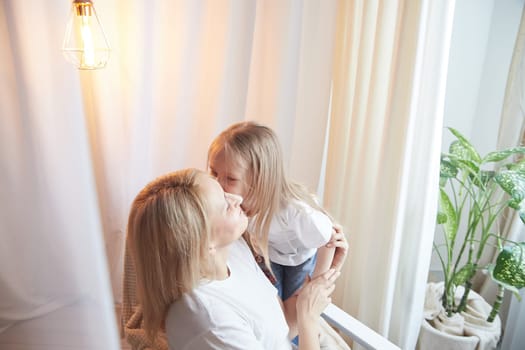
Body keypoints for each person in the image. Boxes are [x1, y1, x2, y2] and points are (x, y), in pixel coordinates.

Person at [126, 168, 342, 350]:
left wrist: (326, 254)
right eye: (225, 205)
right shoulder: (207, 320)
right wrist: (309, 320)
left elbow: (281, 325)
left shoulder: (235, 249)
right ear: (203, 241)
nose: (237, 199)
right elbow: (300, 319)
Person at [207, 121, 340, 310]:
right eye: (214, 173)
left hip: (299, 258)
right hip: (271, 253)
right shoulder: (232, 203)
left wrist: (317, 283)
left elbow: (329, 239)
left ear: (260, 178)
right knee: (273, 307)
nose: (218, 184)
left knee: (299, 304)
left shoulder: (294, 213)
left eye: (230, 178)